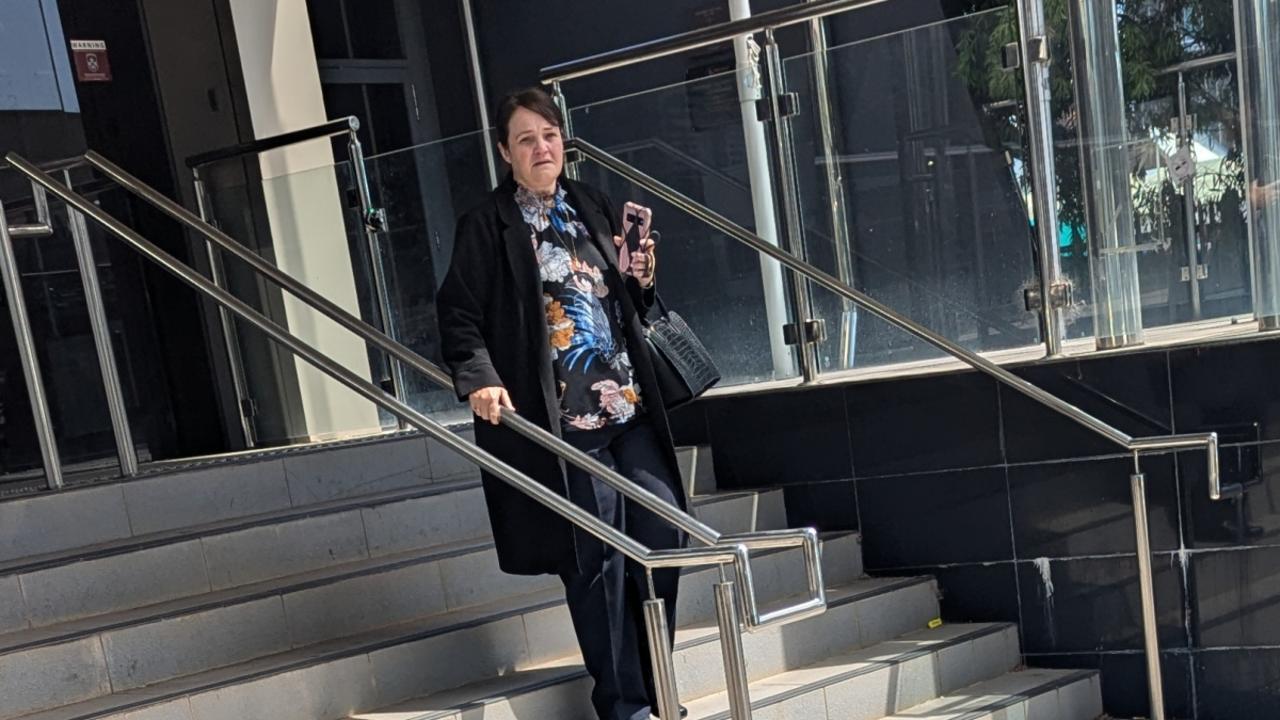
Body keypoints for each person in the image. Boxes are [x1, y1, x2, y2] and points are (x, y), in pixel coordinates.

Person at [436, 86, 688, 720]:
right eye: (526, 139)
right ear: (505, 153)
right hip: (563, 426)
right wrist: (482, 379)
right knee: (596, 560)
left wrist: (641, 274)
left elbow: (627, 301)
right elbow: (458, 314)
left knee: (661, 531)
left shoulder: (590, 204)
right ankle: (626, 706)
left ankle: (658, 687)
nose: (541, 147)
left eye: (549, 134)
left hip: (625, 407)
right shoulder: (486, 227)